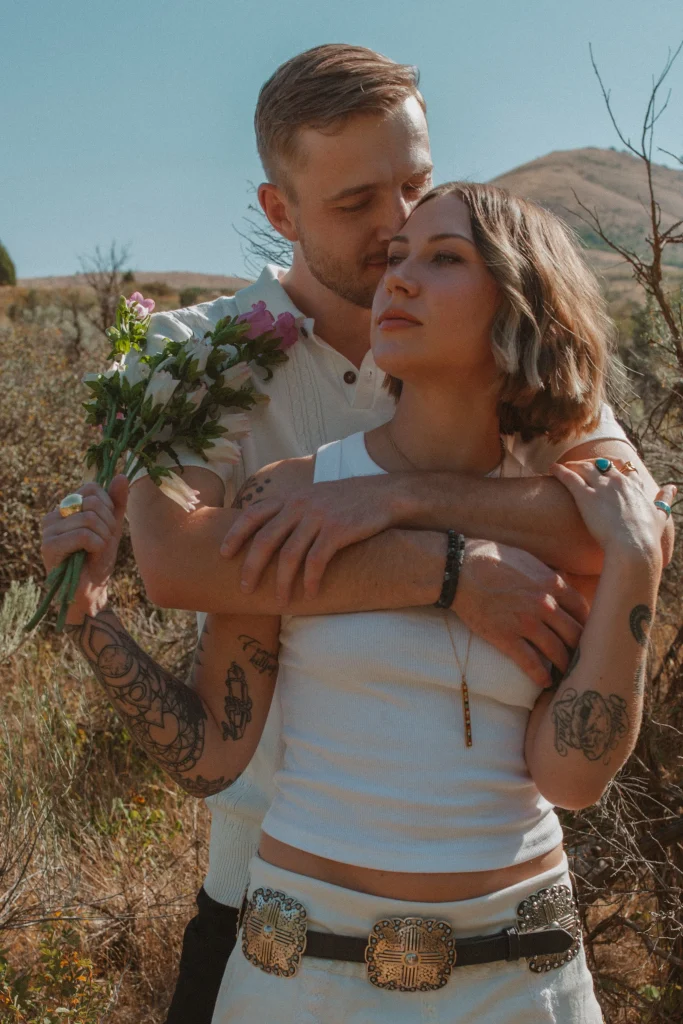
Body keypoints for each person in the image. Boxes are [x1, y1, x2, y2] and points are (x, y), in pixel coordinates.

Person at [46, 44, 674, 1022]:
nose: (394, 231)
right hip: (272, 906)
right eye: (354, 205)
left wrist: (387, 498)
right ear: (279, 212)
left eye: (414, 186)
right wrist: (447, 572)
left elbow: (625, 517)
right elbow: (178, 560)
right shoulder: (193, 355)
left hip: (504, 924)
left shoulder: (498, 344)